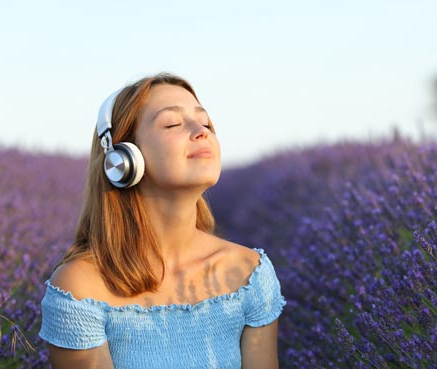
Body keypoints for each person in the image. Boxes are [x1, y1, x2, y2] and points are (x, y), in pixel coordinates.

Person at [39, 73, 286, 369]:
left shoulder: (249, 274)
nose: (201, 131)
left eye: (206, 123)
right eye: (172, 124)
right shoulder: (81, 288)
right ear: (122, 159)